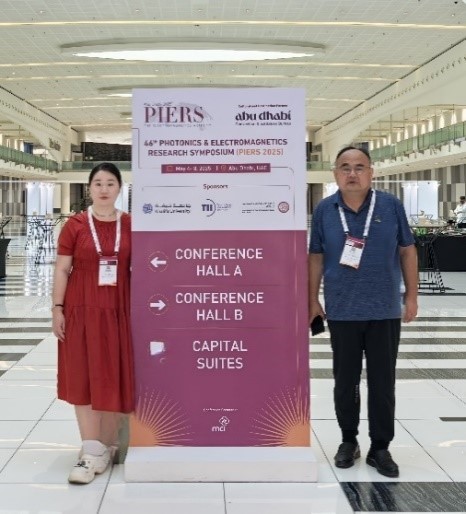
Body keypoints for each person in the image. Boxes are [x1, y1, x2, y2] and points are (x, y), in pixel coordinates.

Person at [308, 146, 418, 478]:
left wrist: (412, 296)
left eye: (359, 167)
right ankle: (348, 440)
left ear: (371, 172)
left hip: (384, 310)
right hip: (342, 310)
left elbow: (407, 251)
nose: (352, 173)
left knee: (383, 383)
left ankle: (380, 447)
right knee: (345, 382)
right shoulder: (325, 210)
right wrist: (312, 299)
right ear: (335, 174)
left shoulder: (390, 205)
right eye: (345, 167)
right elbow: (316, 257)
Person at [52, 162, 134, 484]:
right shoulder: (75, 225)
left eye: (110, 183)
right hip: (81, 309)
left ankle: (106, 446)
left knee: (114, 374)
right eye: (98, 183)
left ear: (119, 188)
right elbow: (62, 270)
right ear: (89, 188)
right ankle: (90, 449)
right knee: (83, 375)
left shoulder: (130, 225)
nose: (103, 189)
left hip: (118, 310)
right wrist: (57, 308)